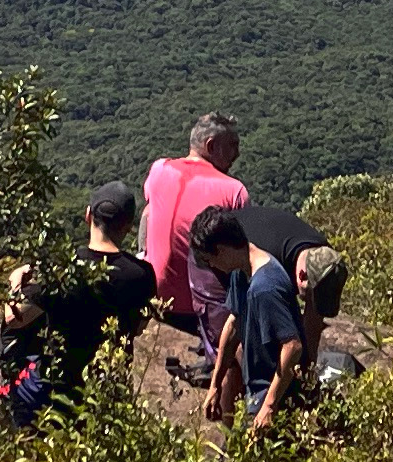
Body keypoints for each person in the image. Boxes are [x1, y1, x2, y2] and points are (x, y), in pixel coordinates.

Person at [0, 183, 156, 428]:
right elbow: (140, 326)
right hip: (108, 387)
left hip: (57, 390)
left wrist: (16, 282)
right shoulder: (143, 275)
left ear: (88, 215)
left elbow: (14, 318)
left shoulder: (63, 269)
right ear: (129, 226)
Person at [192, 201, 311, 438]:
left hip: (276, 395)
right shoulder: (241, 269)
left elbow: (293, 345)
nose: (211, 266)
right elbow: (234, 322)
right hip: (257, 391)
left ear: (223, 250)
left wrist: (269, 406)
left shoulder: (264, 287)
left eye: (210, 259)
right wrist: (215, 384)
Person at [141, 115, 249, 368]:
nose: (238, 153)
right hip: (200, 311)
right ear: (211, 146)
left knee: (149, 211)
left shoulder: (159, 170)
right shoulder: (234, 191)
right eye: (232, 145)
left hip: (157, 300)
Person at [234, 197, 351, 377]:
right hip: (220, 251)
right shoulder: (267, 269)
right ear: (301, 276)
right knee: (245, 345)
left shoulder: (325, 261)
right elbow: (244, 322)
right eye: (312, 295)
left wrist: (308, 373)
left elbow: (313, 320)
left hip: (262, 238)